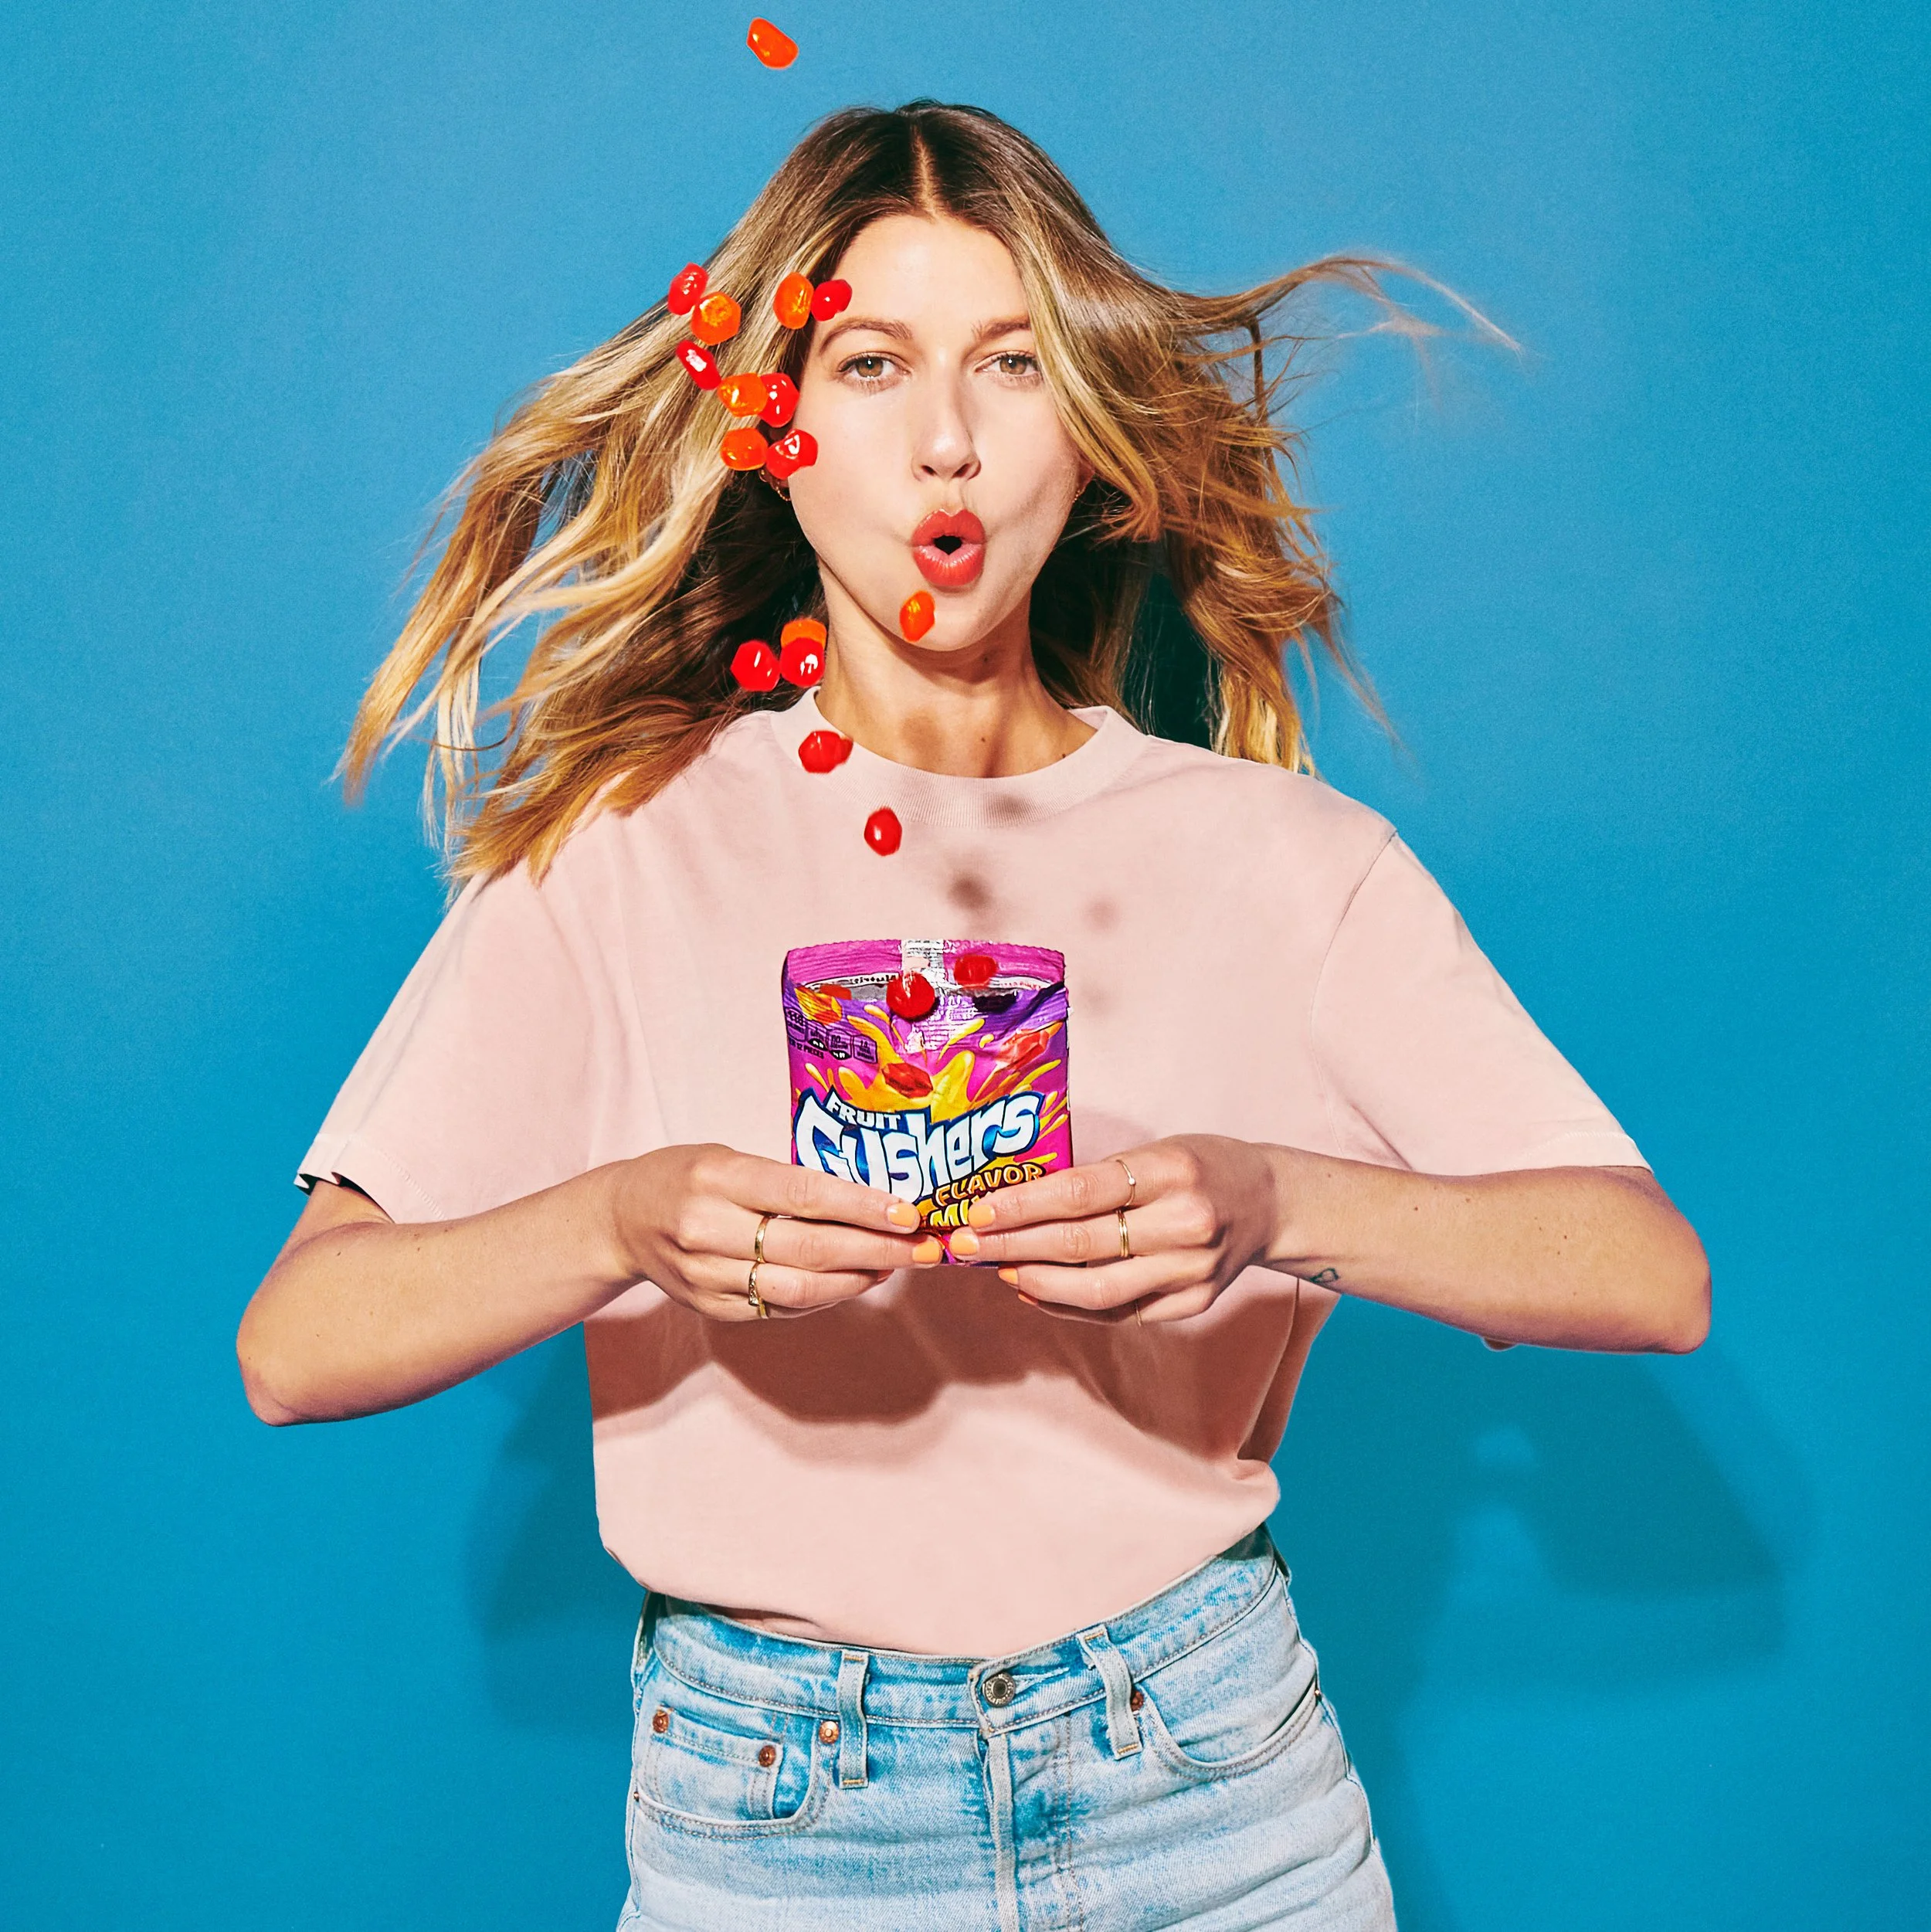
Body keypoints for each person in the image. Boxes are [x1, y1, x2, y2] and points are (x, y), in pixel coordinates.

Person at [236, 100, 1709, 1932]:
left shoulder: (1276, 856)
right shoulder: (621, 851)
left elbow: (1648, 1274)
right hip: (777, 1816)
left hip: (1213, 1791)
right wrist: (621, 1218)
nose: (945, 439)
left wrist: (1274, 1201)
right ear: (771, 434)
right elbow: (297, 1344)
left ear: (1088, 446)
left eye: (1012, 367)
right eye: (869, 364)